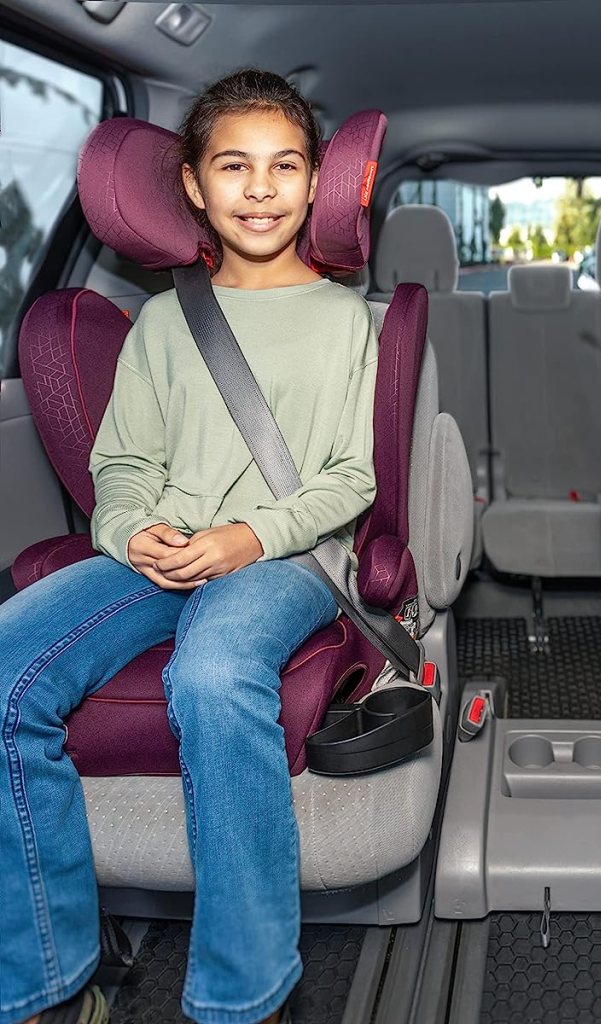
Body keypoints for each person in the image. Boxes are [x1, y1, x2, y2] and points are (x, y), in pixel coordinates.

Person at [0, 69, 378, 1024]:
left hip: (285, 559)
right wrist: (135, 528)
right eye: (234, 167)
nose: (260, 189)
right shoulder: (164, 323)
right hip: (159, 556)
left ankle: (246, 992)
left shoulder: (344, 322)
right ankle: (42, 976)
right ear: (195, 188)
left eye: (285, 166)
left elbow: (349, 480)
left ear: (315, 183)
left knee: (212, 675)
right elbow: (121, 465)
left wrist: (246, 536)